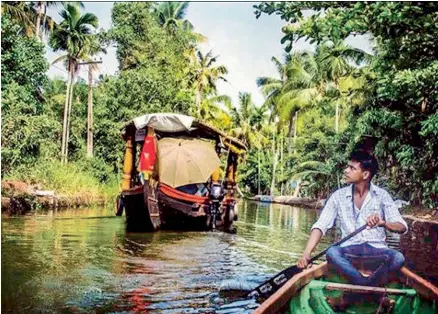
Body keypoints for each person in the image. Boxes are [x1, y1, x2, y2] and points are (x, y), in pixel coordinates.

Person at [297, 150, 408, 309]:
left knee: (398, 258)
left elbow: (402, 227)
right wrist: (306, 254)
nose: (346, 170)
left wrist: (383, 223)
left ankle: (349, 298)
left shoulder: (382, 196)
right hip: (350, 252)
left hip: (376, 251)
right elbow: (321, 226)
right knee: (332, 253)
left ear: (365, 174)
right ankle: (374, 294)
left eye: (351, 168)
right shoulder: (338, 196)